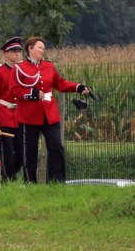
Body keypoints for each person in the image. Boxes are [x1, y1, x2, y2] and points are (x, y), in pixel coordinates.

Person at [10, 37, 89, 183]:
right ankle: (30, 182)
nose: (43, 50)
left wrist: (78, 87)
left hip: (49, 114)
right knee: (30, 152)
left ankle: (57, 181)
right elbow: (14, 90)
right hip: (29, 116)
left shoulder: (48, 66)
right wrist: (32, 94)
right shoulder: (19, 68)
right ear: (30, 48)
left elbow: (59, 83)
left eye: (43, 48)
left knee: (56, 147)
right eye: (40, 47)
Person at [0, 36, 24, 181]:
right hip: (4, 115)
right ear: (6, 53)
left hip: (21, 115)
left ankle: (11, 174)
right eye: (13, 51)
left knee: (22, 151)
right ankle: (7, 178)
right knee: (7, 151)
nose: (17, 53)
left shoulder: (23, 70)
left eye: (19, 50)